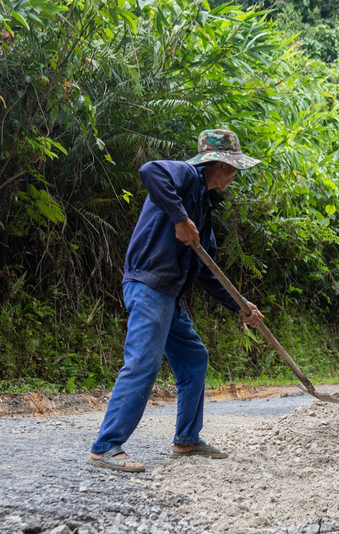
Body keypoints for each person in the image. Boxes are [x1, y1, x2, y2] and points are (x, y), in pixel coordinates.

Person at [88, 129, 265, 472]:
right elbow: (149, 171)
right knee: (143, 363)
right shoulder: (184, 175)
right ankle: (106, 446)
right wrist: (180, 219)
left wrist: (240, 305)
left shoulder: (203, 206)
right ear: (215, 164)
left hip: (171, 295)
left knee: (194, 358)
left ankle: (187, 440)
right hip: (150, 287)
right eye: (232, 168)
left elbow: (206, 271)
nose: (234, 175)